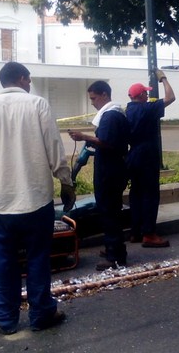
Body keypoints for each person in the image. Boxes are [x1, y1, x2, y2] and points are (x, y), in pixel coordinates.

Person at [0, 62, 76, 335]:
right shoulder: (37, 105)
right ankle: (41, 315)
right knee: (38, 259)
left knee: (3, 262)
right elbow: (54, 146)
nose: (30, 84)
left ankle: (5, 319)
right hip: (35, 200)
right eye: (28, 80)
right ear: (22, 78)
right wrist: (65, 181)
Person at [68, 80, 129, 271]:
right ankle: (114, 247)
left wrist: (84, 137)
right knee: (111, 210)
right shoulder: (115, 113)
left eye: (94, 98)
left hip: (109, 170)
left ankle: (115, 256)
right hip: (114, 167)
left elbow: (106, 141)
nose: (92, 102)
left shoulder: (110, 116)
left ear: (104, 95)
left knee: (109, 211)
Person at [125, 69, 175, 247]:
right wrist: (163, 78)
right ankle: (149, 234)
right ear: (141, 96)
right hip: (147, 155)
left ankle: (135, 231)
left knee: (136, 194)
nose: (147, 95)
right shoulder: (147, 109)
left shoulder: (127, 111)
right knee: (150, 195)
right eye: (145, 93)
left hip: (133, 155)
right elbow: (170, 97)